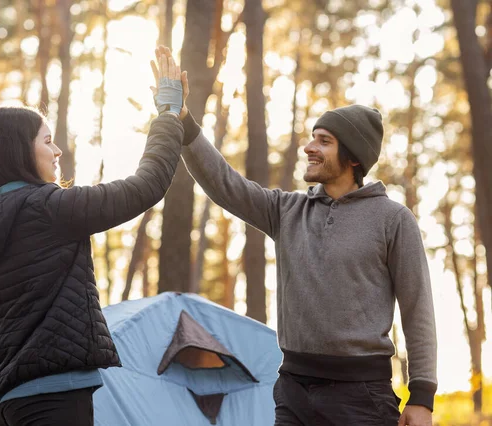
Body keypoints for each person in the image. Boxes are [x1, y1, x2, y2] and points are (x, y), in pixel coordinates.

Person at [152, 46, 437, 426]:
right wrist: (182, 118)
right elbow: (224, 183)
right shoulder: (286, 211)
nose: (309, 147)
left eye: (323, 141)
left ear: (353, 158)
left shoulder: (393, 219)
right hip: (293, 391)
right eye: (312, 138)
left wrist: (422, 396)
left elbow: (418, 309)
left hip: (361, 397)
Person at [0, 51, 187, 426]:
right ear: (21, 150)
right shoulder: (51, 208)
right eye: (47, 141)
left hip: (9, 403)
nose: (57, 150)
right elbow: (145, 186)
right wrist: (167, 114)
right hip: (56, 396)